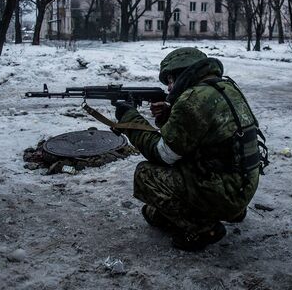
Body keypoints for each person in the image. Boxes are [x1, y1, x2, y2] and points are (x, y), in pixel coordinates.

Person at [113, 47, 266, 251]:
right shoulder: (225, 87)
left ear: (181, 73)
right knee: (157, 210)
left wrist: (129, 118)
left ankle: (202, 228)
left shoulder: (192, 99)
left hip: (226, 191)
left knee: (145, 173)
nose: (168, 88)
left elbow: (163, 154)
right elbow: (206, 133)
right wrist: (170, 115)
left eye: (169, 80)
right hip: (244, 184)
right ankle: (231, 210)